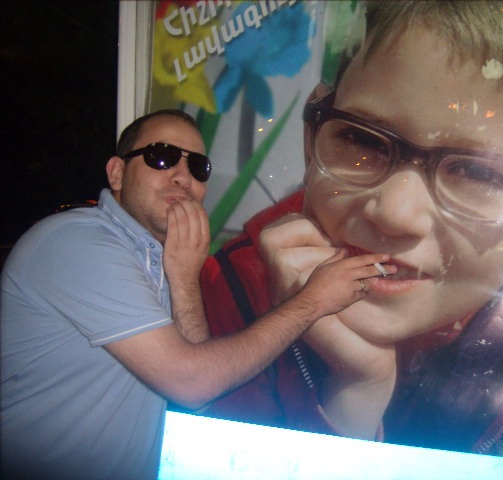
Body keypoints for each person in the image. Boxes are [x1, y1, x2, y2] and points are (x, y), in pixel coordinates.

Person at [198, 0, 503, 466]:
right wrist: (353, 399)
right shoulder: (229, 292)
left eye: (479, 173)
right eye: (360, 139)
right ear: (312, 139)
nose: (393, 213)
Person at [0, 109, 390, 480]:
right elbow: (192, 382)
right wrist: (312, 301)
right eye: (162, 157)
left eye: (197, 167)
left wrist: (186, 278)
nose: (183, 177)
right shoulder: (80, 243)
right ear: (117, 173)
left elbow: (200, 395)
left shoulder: (160, 258)